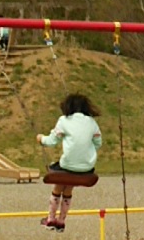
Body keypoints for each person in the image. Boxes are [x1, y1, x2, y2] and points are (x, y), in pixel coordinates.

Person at [38, 93, 102, 230]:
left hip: (67, 165)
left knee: (58, 183)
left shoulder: (64, 121)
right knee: (68, 185)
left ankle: (50, 219)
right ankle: (61, 221)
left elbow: (51, 141)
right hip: (87, 167)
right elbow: (98, 143)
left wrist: (40, 139)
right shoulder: (92, 122)